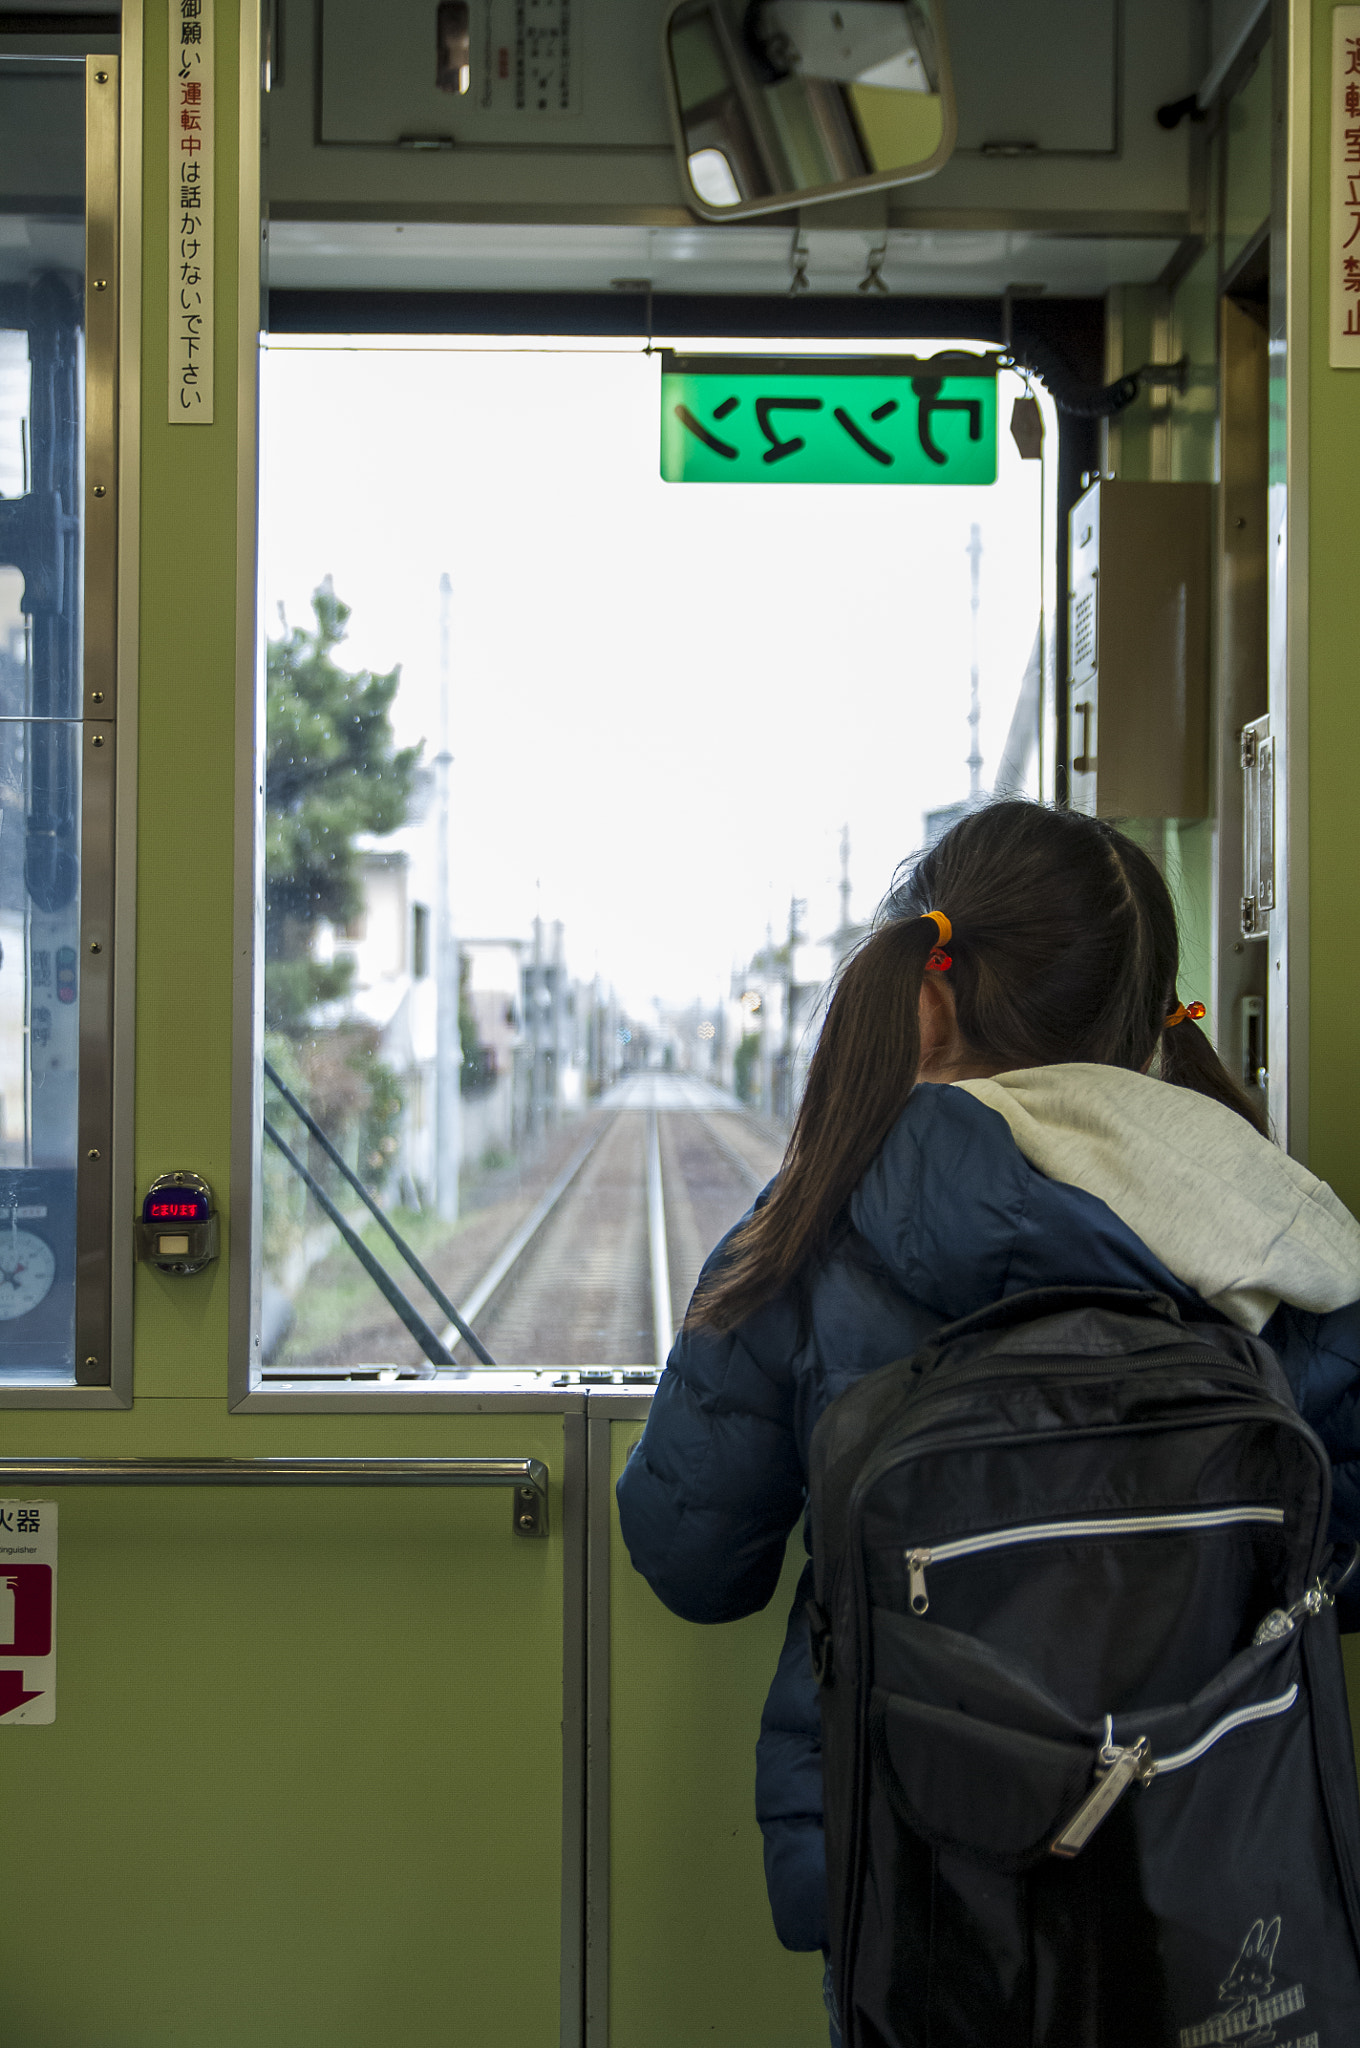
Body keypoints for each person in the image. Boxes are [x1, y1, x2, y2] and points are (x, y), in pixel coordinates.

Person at [614, 800, 1360, 2046]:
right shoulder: (1282, 1227)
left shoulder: (818, 1216)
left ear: (932, 993)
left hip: (922, 1868)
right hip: (1227, 1880)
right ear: (1146, 1011)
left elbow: (690, 1555)